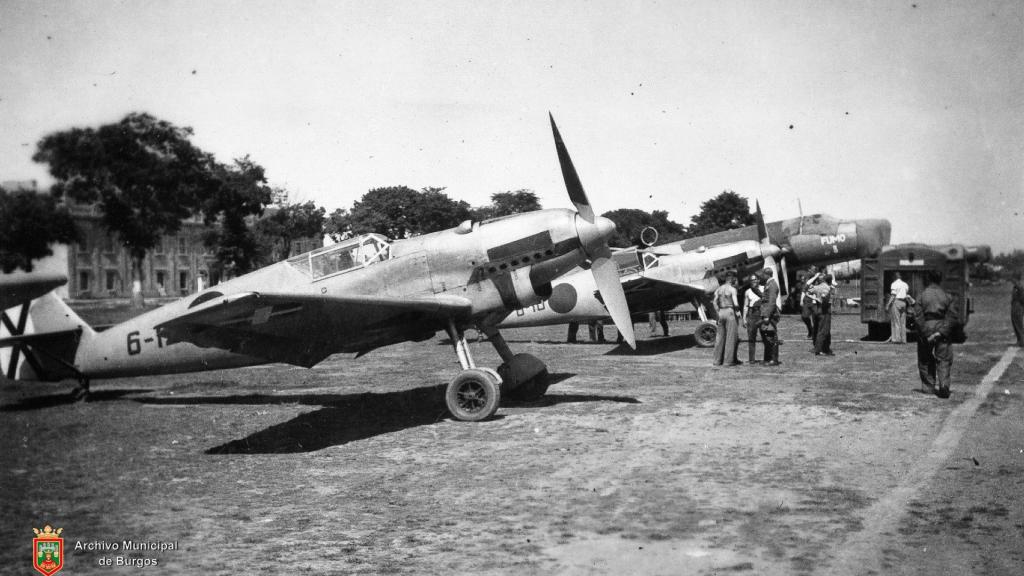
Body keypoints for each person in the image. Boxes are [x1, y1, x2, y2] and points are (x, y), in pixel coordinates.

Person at [915, 271, 956, 398]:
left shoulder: (921, 296)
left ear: (928, 279)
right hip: (942, 326)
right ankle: (944, 385)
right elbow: (952, 316)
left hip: (926, 326)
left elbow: (918, 316)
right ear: (940, 280)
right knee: (944, 359)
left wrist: (927, 334)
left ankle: (928, 386)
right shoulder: (947, 296)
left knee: (925, 358)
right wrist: (941, 332)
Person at [712, 271, 741, 366]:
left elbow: (714, 302)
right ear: (732, 279)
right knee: (731, 337)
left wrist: (718, 312)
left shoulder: (718, 289)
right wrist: (738, 312)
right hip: (730, 311)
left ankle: (717, 360)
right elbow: (735, 303)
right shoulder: (732, 289)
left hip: (721, 312)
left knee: (719, 337)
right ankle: (728, 361)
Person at [759, 267, 781, 366]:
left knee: (771, 336)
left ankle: (773, 359)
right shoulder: (768, 284)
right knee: (766, 336)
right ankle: (767, 358)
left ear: (766, 275)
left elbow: (772, 302)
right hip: (765, 313)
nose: (761, 276)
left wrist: (767, 315)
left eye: (763, 274)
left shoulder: (772, 285)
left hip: (770, 315)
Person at [811, 274, 835, 356]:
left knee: (821, 330)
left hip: (818, 310)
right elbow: (825, 297)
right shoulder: (827, 288)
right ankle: (819, 350)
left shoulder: (818, 287)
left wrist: (815, 298)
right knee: (823, 331)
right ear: (830, 280)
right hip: (825, 311)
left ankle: (825, 348)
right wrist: (822, 300)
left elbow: (808, 291)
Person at [742, 273, 764, 364]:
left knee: (765, 336)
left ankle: (767, 358)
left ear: (759, 280)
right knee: (751, 337)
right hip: (752, 314)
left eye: (755, 279)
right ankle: (752, 359)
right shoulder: (748, 291)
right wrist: (744, 318)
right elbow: (745, 306)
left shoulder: (764, 289)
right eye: (751, 280)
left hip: (762, 313)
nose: (753, 281)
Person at [886, 271, 912, 344]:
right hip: (904, 303)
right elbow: (906, 294)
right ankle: (904, 339)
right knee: (903, 322)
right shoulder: (905, 284)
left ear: (894, 277)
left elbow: (893, 295)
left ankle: (897, 339)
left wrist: (888, 305)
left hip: (896, 302)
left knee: (896, 321)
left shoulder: (894, 284)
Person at [799, 266, 818, 339]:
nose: (809, 271)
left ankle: (814, 333)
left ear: (815, 271)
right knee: (804, 316)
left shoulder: (818, 279)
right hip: (807, 300)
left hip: (815, 301)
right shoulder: (807, 278)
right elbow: (804, 290)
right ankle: (810, 329)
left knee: (815, 317)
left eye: (811, 270)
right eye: (809, 270)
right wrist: (801, 300)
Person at [1011, 272, 1024, 347]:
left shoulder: (1020, 286)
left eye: (1013, 278)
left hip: (1018, 307)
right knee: (1015, 324)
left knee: (1019, 325)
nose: (1012, 280)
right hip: (1015, 306)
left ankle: (1022, 342)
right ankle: (1019, 340)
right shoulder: (1016, 286)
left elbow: (1022, 298)